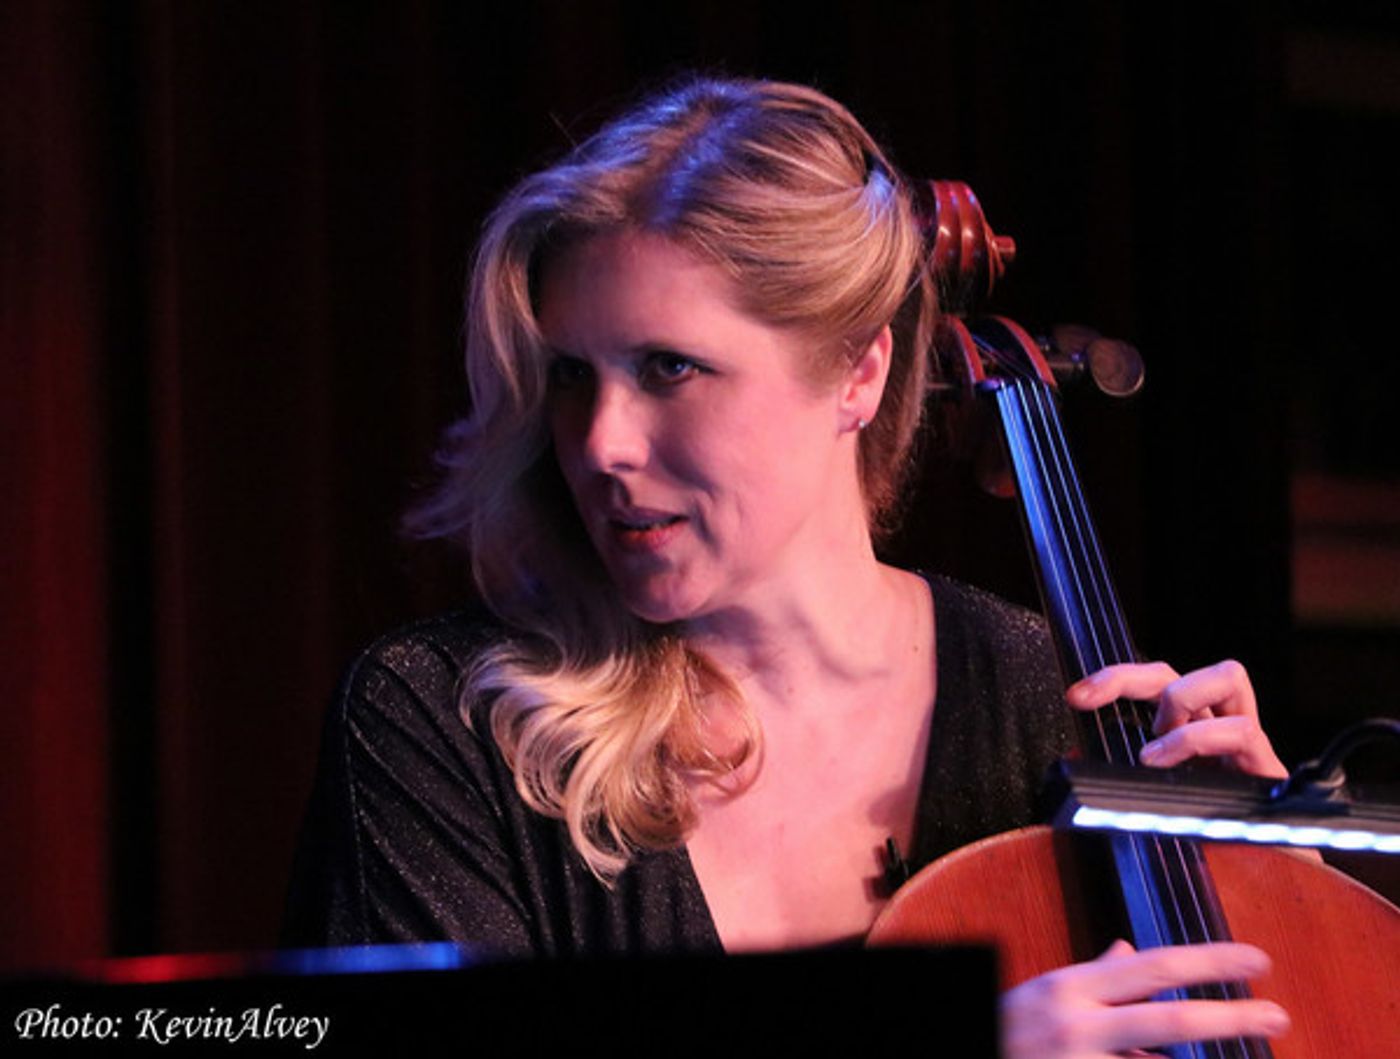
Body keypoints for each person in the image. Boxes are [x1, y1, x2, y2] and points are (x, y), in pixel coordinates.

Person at [284, 76, 1292, 1056]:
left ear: (858, 371)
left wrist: (1277, 898)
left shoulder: (1052, 700)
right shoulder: (445, 724)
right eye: (569, 377)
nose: (599, 444)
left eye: (669, 368)